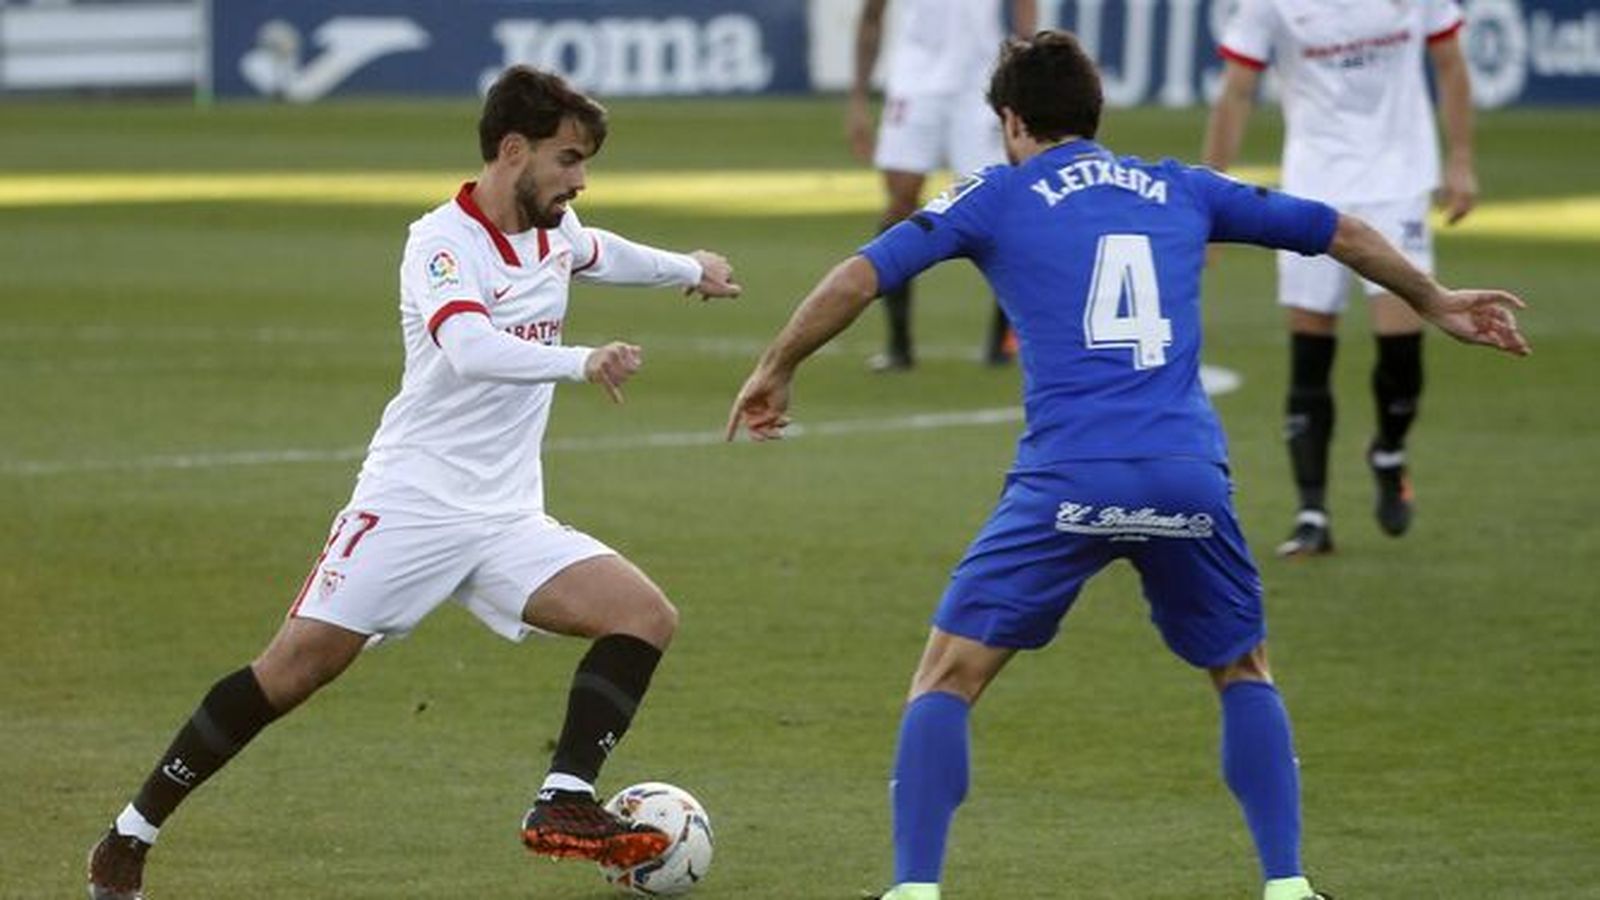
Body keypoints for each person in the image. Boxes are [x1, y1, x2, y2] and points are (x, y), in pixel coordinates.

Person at [727, 31, 1526, 900]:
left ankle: (915, 890)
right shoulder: (1182, 186)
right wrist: (1433, 299)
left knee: (948, 677)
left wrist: (777, 366)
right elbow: (1340, 230)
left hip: (1069, 481)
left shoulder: (997, 194)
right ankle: (1288, 883)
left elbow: (860, 275)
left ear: (1011, 121)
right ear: (1095, 112)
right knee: (1243, 669)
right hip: (1187, 476)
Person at [86, 66, 741, 900]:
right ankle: (129, 836)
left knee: (644, 616)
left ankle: (564, 797)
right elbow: (468, 348)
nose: (579, 181)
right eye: (569, 159)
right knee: (293, 670)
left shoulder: (556, 232)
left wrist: (688, 267)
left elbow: (601, 251)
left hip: (505, 516)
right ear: (514, 150)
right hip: (412, 504)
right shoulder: (441, 242)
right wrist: (580, 361)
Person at [1202, 0, 1478, 556]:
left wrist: (1461, 159)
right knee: (1311, 350)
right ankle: (1312, 512)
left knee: (1402, 346)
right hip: (1314, 185)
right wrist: (1209, 200)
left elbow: (1450, 62)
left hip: (1399, 181)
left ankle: (1389, 450)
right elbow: (1236, 91)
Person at [847, 0, 1036, 370]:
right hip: (915, 78)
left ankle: (1001, 344)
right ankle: (899, 346)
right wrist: (858, 99)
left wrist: (1026, 76)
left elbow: (1024, 8)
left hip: (981, 80)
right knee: (900, 201)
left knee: (1003, 206)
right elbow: (872, 16)